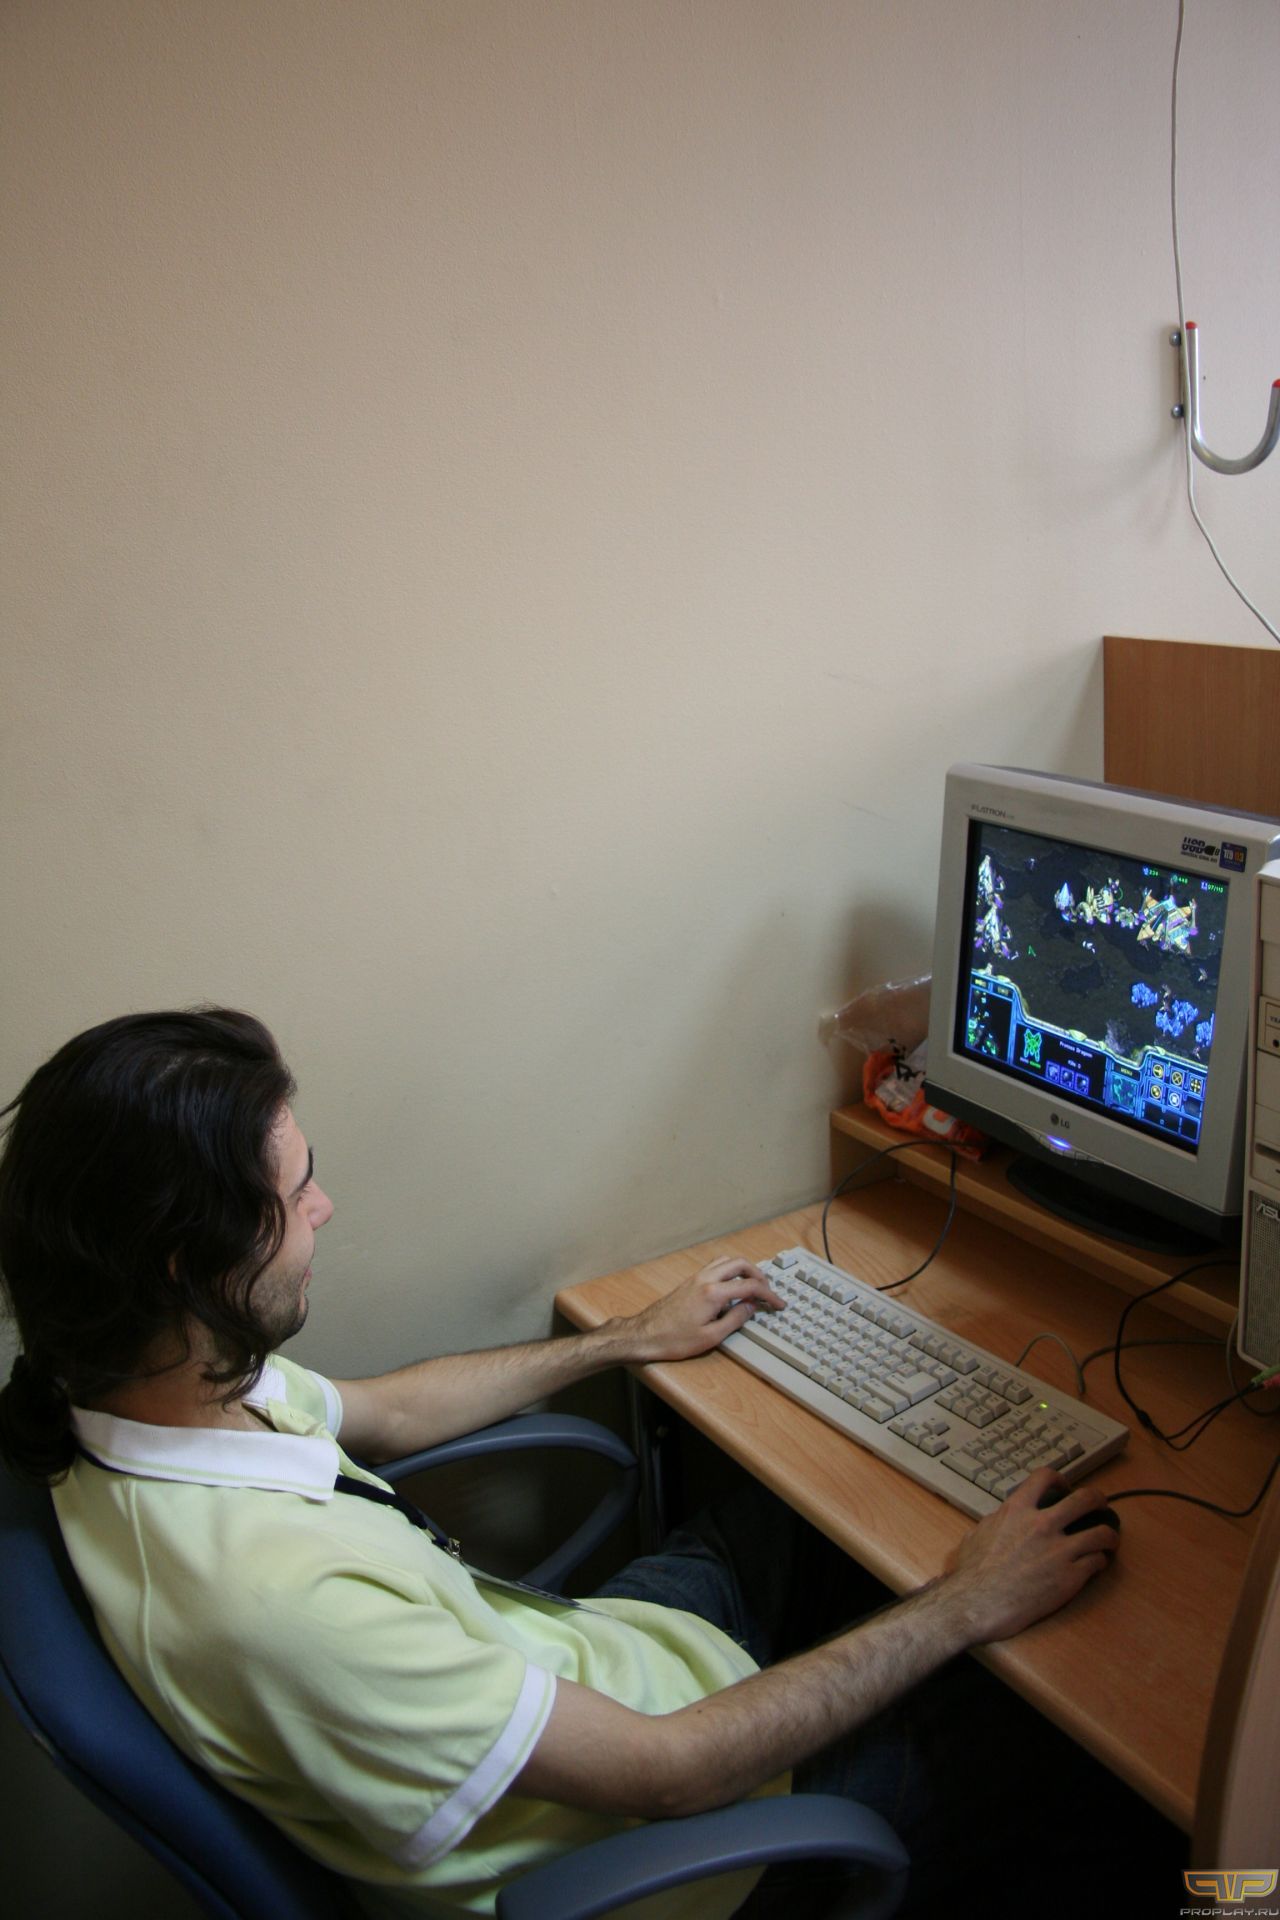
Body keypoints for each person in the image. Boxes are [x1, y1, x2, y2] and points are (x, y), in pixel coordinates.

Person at [0, 1008, 1179, 1918]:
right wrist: (961, 1603)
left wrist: (626, 1339)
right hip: (682, 1846)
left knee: (823, 1515)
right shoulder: (272, 1606)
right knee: (1093, 1764)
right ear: (186, 1260)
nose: (325, 1209)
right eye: (295, 1189)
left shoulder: (150, 1379)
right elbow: (670, 1772)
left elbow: (384, 1413)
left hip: (576, 1663)